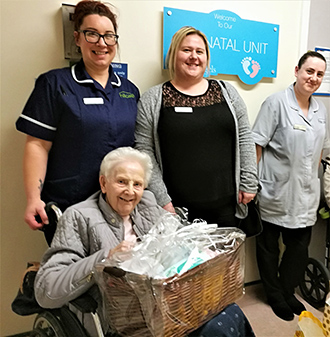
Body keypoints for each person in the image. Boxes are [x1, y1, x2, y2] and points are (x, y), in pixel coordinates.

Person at [34, 147, 255, 337]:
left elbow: (177, 239)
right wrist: (104, 258)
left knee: (228, 311)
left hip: (172, 302)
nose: (130, 192)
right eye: (121, 182)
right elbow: (46, 290)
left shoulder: (147, 204)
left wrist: (199, 250)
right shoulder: (79, 217)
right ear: (103, 183)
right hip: (126, 316)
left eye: (137, 184)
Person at [15, 0, 139, 244]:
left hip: (119, 208)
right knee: (75, 277)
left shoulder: (129, 91)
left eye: (109, 36)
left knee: (117, 276)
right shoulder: (54, 84)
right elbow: (37, 145)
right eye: (92, 34)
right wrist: (33, 198)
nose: (101, 43)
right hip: (69, 207)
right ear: (77, 38)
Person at [135, 26, 258, 226]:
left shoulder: (227, 92)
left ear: (207, 58)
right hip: (177, 211)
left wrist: (249, 181)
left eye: (199, 51)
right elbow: (144, 151)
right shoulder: (153, 98)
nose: (194, 57)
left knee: (227, 258)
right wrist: (163, 201)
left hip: (227, 206)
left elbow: (244, 136)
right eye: (186, 50)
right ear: (174, 54)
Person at [252, 51, 329, 321]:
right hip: (275, 190)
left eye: (320, 74)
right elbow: (257, 144)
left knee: (298, 249)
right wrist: (252, 183)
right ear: (297, 70)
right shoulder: (276, 103)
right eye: (309, 71)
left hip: (306, 192)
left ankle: (286, 290)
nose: (314, 78)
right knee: (269, 248)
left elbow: (321, 150)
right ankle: (274, 296)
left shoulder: (321, 110)